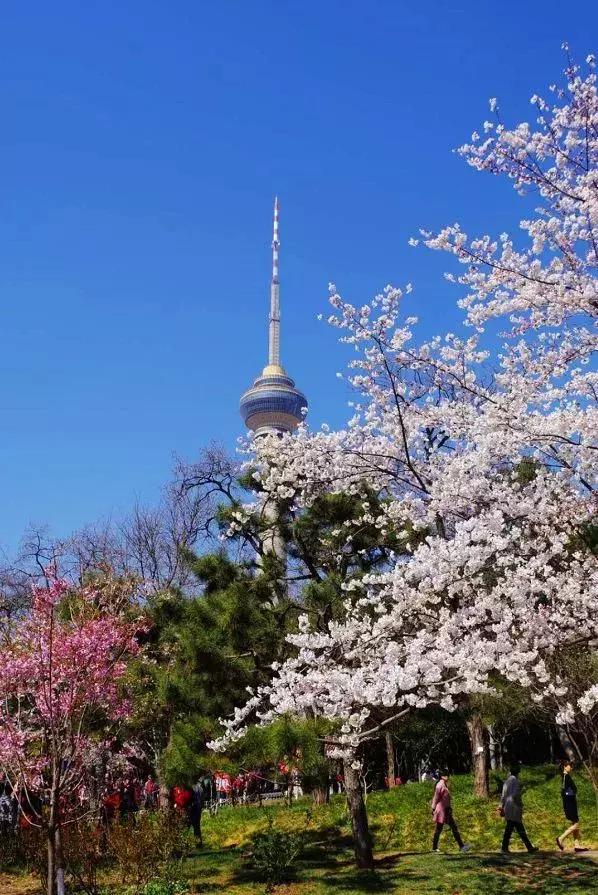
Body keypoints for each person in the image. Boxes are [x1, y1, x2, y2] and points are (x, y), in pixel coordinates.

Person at [500, 763, 538, 854]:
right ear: (518, 772)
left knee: (515, 828)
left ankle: (528, 847)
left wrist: (501, 806)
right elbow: (516, 795)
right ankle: (505, 848)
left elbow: (503, 796)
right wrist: (520, 804)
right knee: (514, 828)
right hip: (514, 807)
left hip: (507, 807)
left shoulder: (507, 781)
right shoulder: (516, 781)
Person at [431, 770, 471, 853]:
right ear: (442, 776)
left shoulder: (443, 784)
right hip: (442, 810)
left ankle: (435, 847)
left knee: (444, 828)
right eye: (446, 775)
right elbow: (436, 797)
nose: (448, 777)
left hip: (445, 810)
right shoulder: (440, 785)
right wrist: (433, 808)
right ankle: (461, 846)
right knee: (449, 828)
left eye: (448, 775)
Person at [556, 761, 588, 853]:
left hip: (570, 803)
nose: (571, 768)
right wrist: (572, 794)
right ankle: (560, 838)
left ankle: (577, 845)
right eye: (570, 766)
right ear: (565, 767)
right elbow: (565, 792)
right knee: (576, 824)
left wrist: (571, 794)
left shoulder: (565, 777)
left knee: (575, 822)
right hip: (570, 803)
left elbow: (566, 791)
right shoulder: (566, 777)